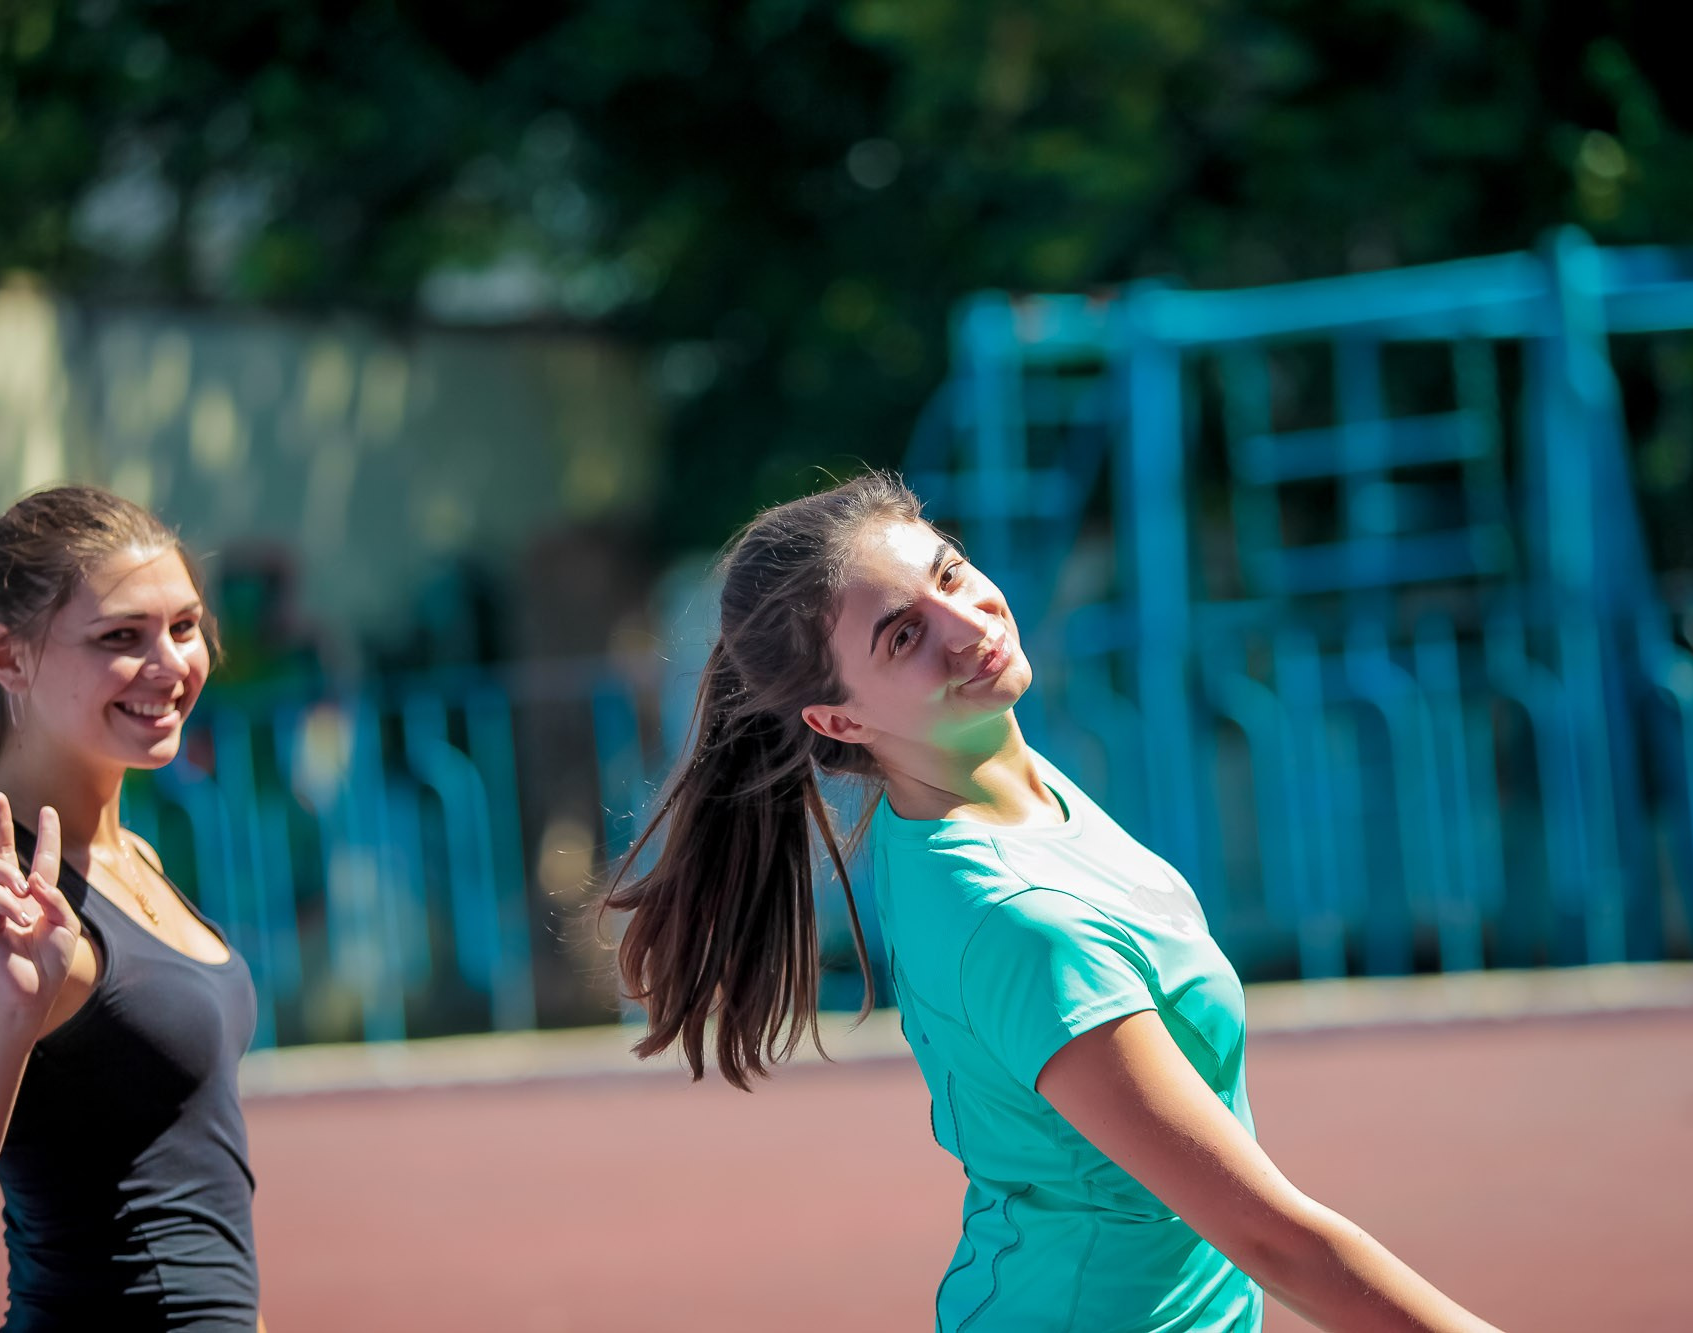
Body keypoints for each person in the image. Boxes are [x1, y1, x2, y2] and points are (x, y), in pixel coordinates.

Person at [609, 472, 1506, 1332]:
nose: (967, 624)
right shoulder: (1019, 920)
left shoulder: (994, 786)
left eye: (950, 572)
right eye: (901, 636)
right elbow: (1273, 1239)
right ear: (840, 721)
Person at [0, 486, 263, 1331]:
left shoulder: (129, 855)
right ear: (7, 657)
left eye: (184, 626)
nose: (172, 662)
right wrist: (13, 1009)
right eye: (121, 637)